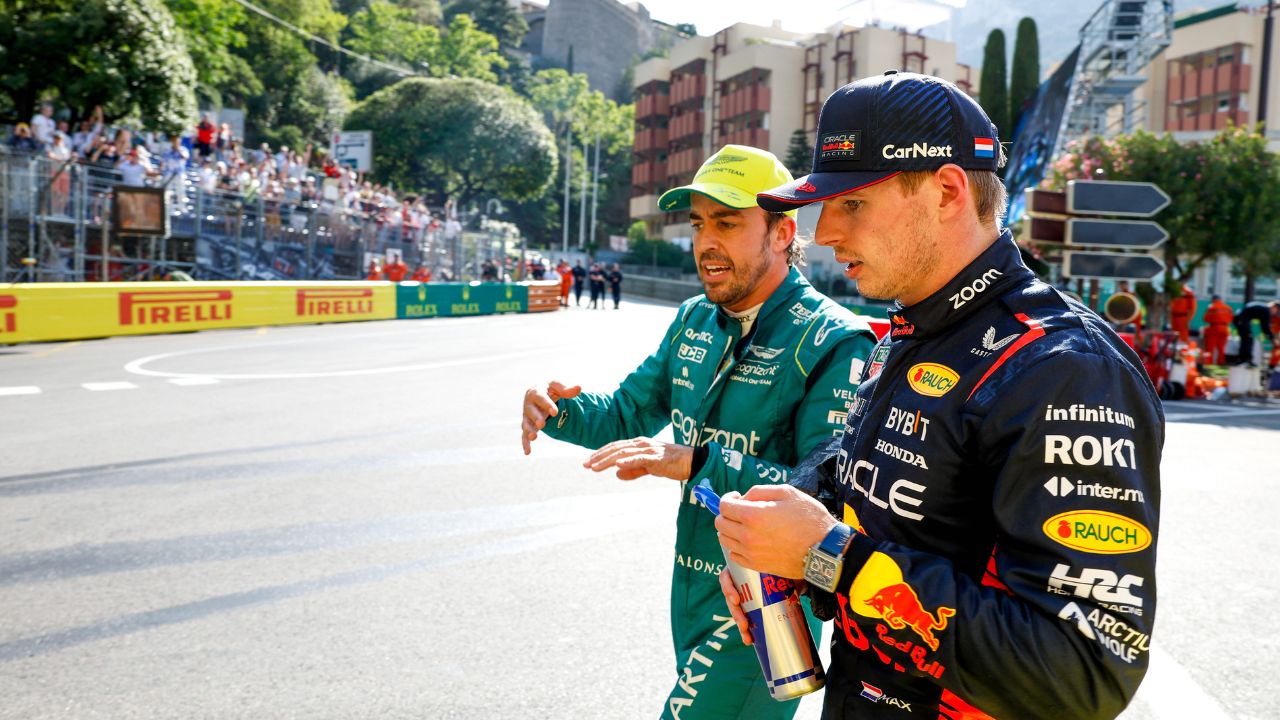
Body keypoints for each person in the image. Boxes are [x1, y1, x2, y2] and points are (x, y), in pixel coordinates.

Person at [714, 71, 1164, 720]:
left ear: (948, 191)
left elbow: (1082, 674)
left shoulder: (1064, 368)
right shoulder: (913, 328)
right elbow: (875, 481)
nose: (827, 232)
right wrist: (787, 533)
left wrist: (828, 555)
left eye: (852, 204)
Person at [521, 144, 876, 720]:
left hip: (767, 598)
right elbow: (627, 414)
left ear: (783, 233)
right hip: (690, 584)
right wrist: (558, 410)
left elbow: (825, 495)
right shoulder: (694, 319)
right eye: (698, 223)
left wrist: (696, 461)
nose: (706, 242)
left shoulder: (834, 339)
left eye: (727, 223)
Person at [1231, 300, 1277, 366]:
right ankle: (1244, 359)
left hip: (1239, 319)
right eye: (1277, 309)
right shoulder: (1266, 310)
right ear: (1273, 306)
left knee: (1246, 339)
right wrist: (1272, 339)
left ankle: (1244, 359)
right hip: (1242, 320)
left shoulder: (1262, 307)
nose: (1275, 312)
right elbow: (1265, 327)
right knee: (1248, 339)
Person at [1202, 294, 1234, 364]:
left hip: (1214, 328)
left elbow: (1206, 318)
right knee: (1221, 348)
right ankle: (1221, 362)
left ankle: (1208, 362)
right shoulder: (1228, 308)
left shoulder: (1212, 307)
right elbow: (1231, 319)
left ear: (1213, 300)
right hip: (1225, 328)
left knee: (1210, 347)